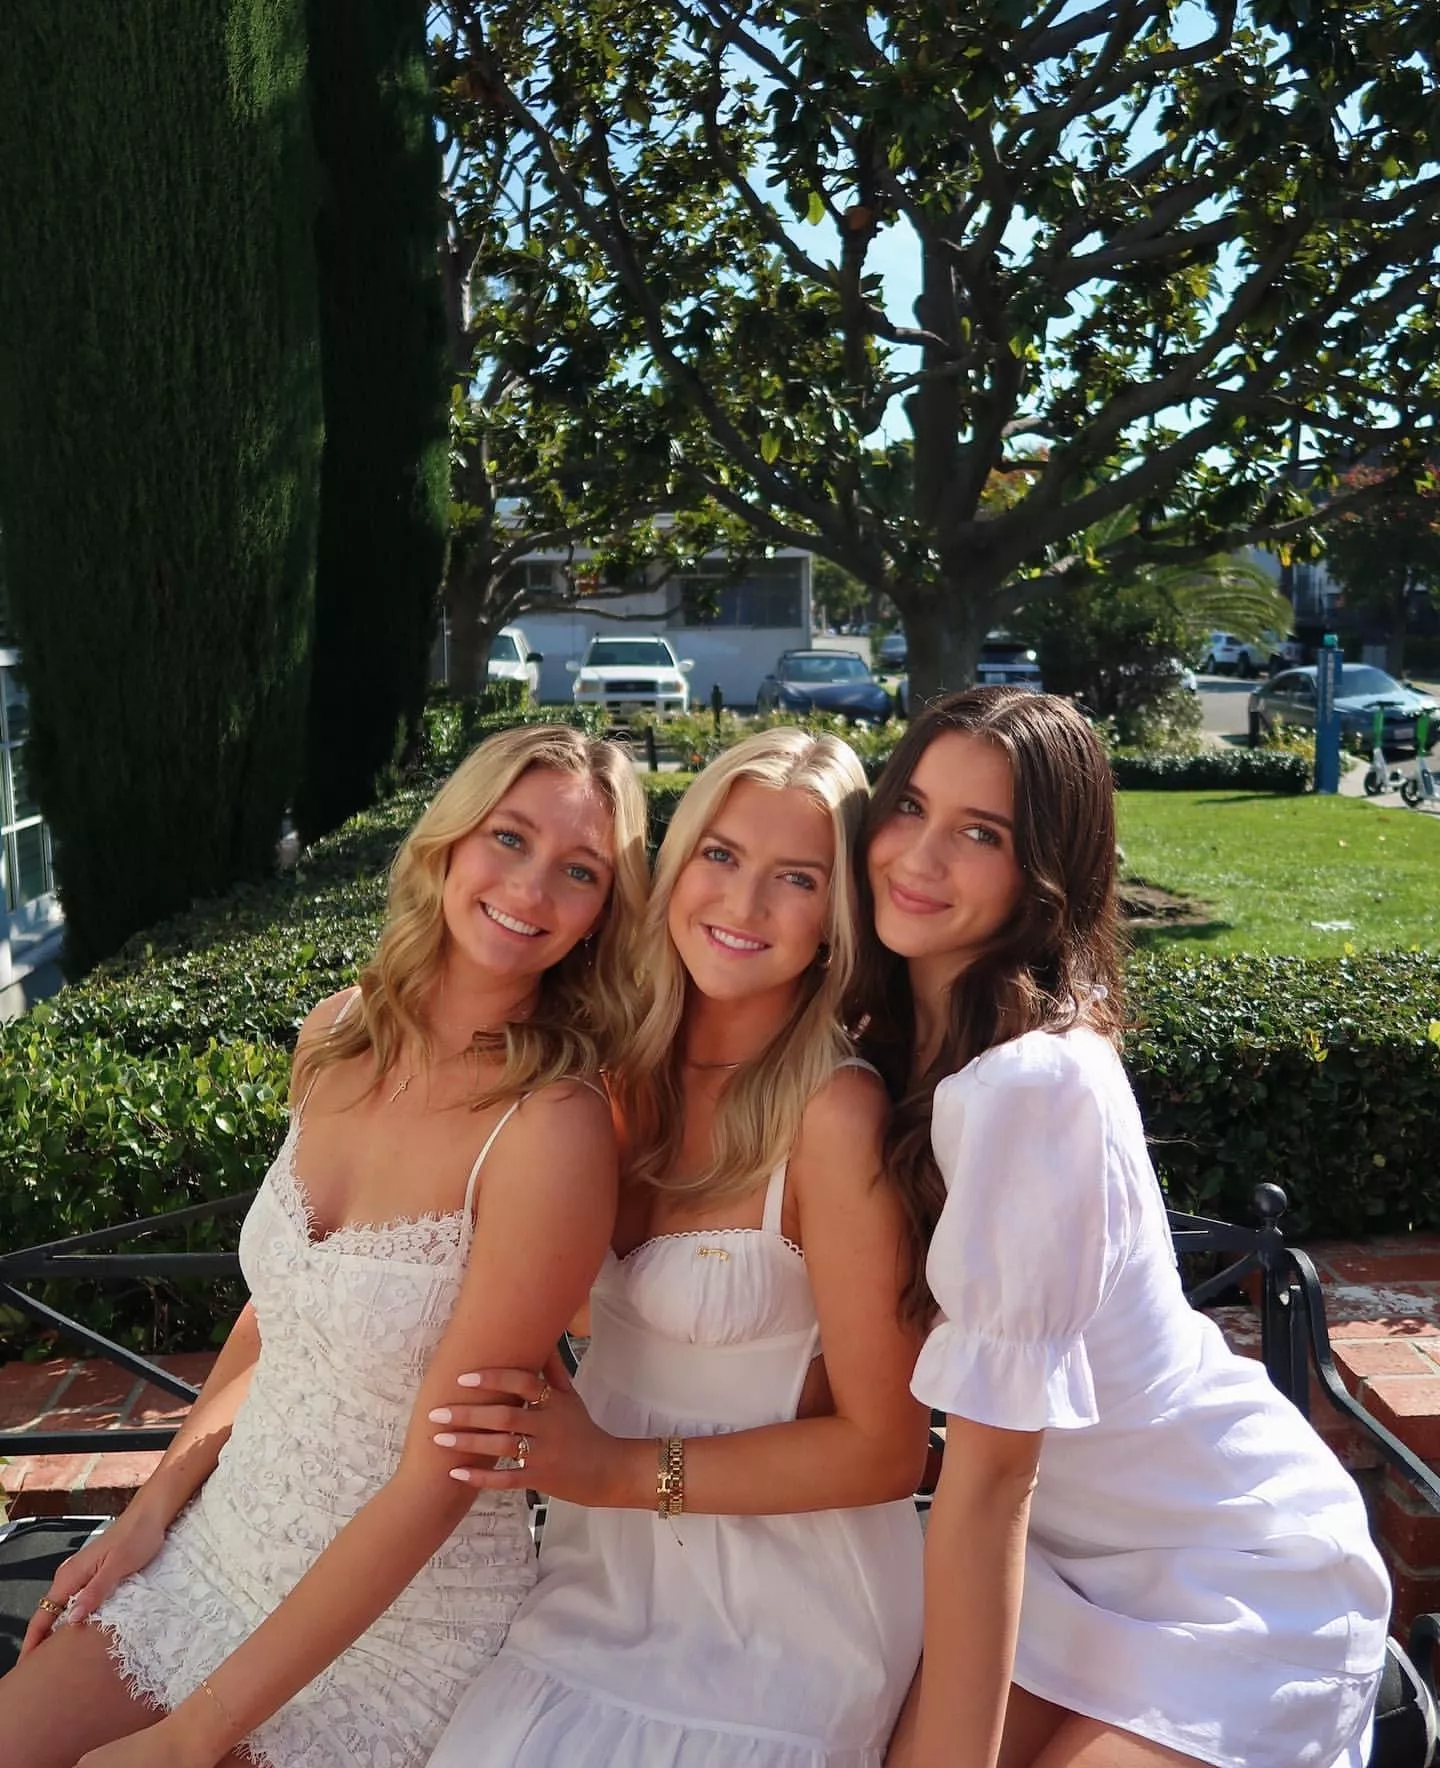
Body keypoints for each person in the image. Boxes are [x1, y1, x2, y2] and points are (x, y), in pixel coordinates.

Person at [0, 724, 649, 1768]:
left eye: (581, 871)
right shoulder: (336, 1033)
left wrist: (190, 1739)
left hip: (391, 1629)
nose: (532, 888)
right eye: (510, 837)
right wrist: (149, 1511)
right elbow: (280, 1318)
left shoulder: (552, 1126)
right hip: (216, 1553)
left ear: (602, 916)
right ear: (449, 841)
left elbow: (442, 1476)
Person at [866, 688, 1390, 1768]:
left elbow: (992, 1476)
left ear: (1045, 873)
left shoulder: (1034, 1083)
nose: (919, 855)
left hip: (1234, 1564)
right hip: (1062, 1558)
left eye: (981, 833)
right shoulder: (890, 1044)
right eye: (909, 806)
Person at [422, 728, 929, 1768]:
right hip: (590, 1584)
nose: (743, 904)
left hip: (782, 1620)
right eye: (720, 855)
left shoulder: (832, 1116)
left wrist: (616, 1470)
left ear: (835, 922)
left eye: (797, 879)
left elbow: (888, 1449)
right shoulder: (600, 1078)